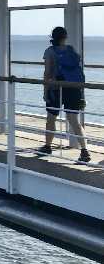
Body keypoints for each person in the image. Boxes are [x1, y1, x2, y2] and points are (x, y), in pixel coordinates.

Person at [39, 26, 91, 163]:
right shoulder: (71, 50)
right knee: (74, 120)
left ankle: (48, 146)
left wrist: (45, 91)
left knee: (51, 118)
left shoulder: (50, 51)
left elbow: (47, 73)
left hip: (56, 89)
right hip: (73, 89)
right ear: (65, 37)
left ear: (52, 37)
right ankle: (84, 151)